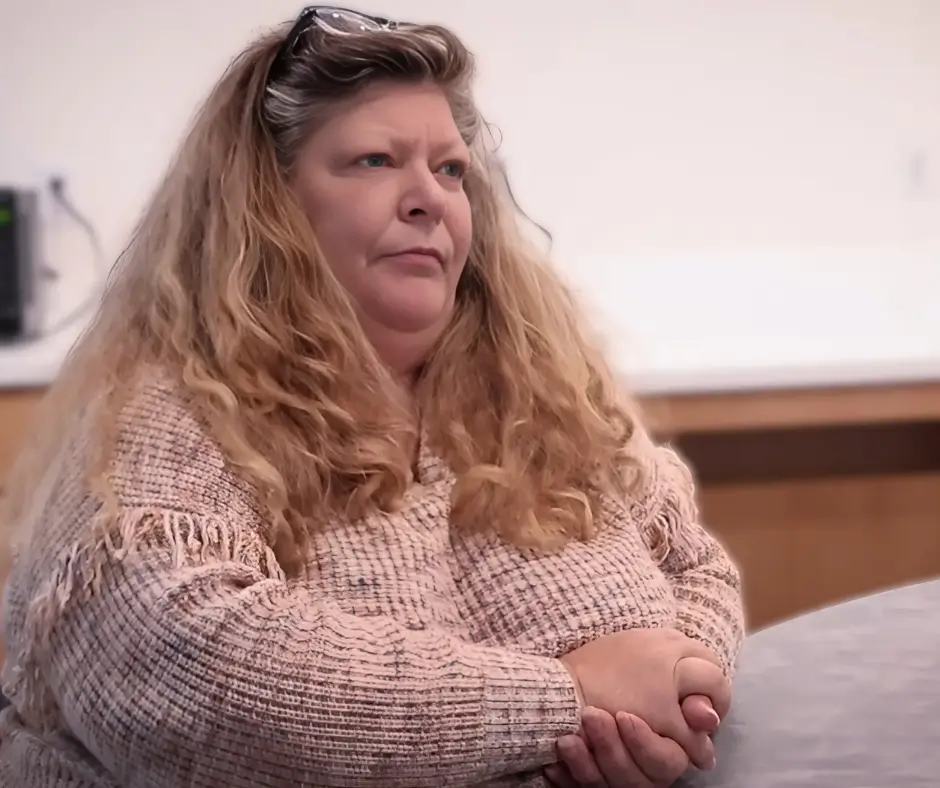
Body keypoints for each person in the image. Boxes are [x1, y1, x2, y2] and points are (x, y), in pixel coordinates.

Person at [0, 7, 744, 787]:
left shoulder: (540, 392)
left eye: (450, 169)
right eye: (374, 161)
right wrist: (570, 702)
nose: (429, 197)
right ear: (270, 204)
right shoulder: (174, 411)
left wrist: (672, 696)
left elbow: (694, 565)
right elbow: (192, 670)